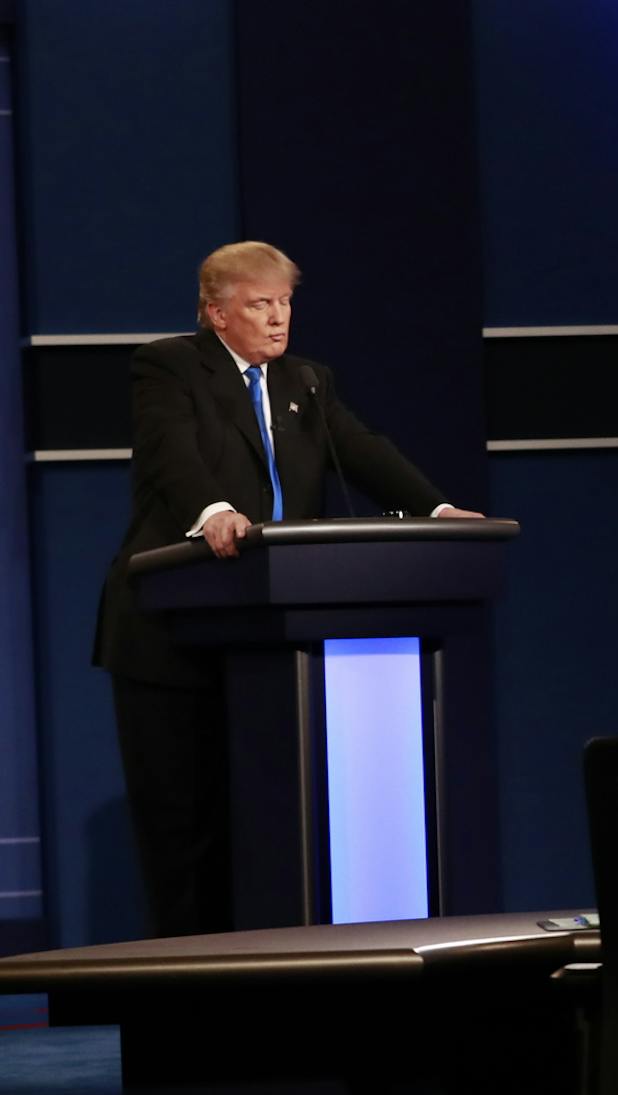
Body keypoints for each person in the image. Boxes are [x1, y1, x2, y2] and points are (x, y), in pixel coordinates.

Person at [96, 240, 484, 937]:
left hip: (272, 641)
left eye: (285, 303)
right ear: (216, 313)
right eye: (259, 305)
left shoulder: (307, 381)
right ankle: (187, 988)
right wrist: (212, 512)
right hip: (171, 639)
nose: (279, 319)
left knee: (267, 829)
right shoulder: (170, 366)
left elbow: (363, 449)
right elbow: (169, 452)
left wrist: (438, 509)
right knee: (186, 832)